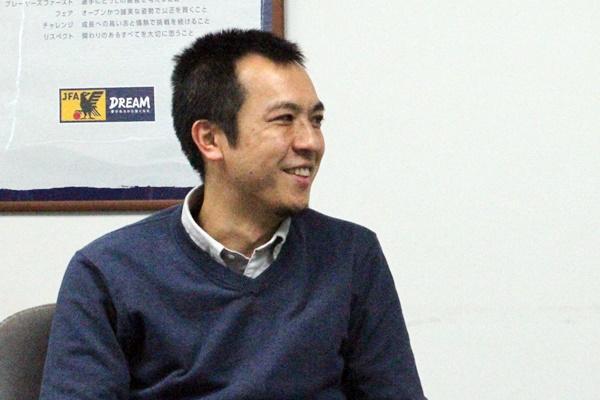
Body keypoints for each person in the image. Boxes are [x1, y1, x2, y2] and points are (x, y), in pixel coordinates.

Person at [40, 29, 426, 399]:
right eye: (284, 119)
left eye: (316, 120)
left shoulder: (351, 255)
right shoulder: (108, 272)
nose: (311, 141)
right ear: (210, 139)